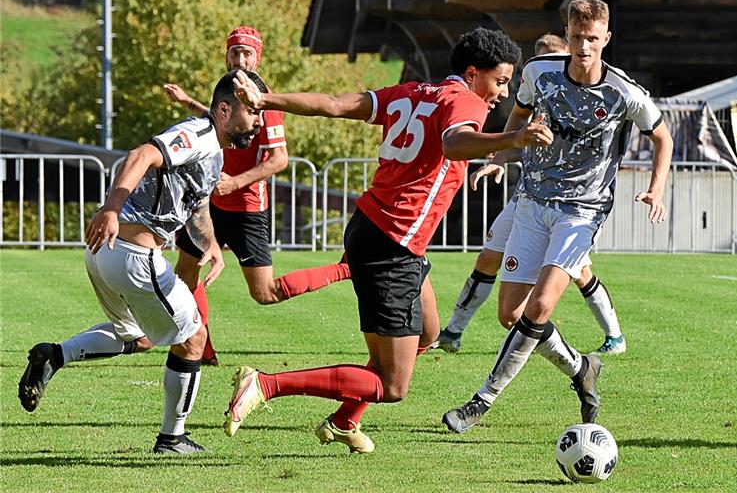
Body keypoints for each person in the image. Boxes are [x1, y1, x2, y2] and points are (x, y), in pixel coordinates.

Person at [220, 27, 553, 453]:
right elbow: (453, 144)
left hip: (377, 230)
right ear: (473, 73)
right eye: (501, 81)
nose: (503, 95)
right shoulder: (464, 100)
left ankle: (343, 421)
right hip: (392, 245)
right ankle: (265, 384)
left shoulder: (413, 90)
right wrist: (513, 138)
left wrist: (267, 100)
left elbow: (336, 105)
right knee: (391, 384)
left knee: (428, 334)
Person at [442, 0, 673, 434]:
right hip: (531, 202)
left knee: (542, 304)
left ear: (606, 39)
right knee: (511, 314)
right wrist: (502, 154)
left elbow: (663, 137)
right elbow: (521, 118)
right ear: (565, 35)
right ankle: (581, 369)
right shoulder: (537, 73)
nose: (583, 47)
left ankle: (480, 402)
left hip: (581, 212)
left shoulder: (624, 92)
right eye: (576, 37)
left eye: (592, 39)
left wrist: (656, 189)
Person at [17, 70, 265, 454]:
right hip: (132, 252)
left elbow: (196, 205)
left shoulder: (213, 152)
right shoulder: (198, 134)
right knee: (194, 337)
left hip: (105, 254)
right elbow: (142, 154)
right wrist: (112, 208)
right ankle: (172, 437)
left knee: (140, 337)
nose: (258, 120)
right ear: (224, 109)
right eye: (252, 112)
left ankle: (55, 354)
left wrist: (212, 244)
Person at [163, 26, 351, 366]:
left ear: (258, 57)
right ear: (226, 55)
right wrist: (188, 102)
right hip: (210, 201)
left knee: (265, 293)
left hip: (247, 207)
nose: (240, 59)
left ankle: (345, 269)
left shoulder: (266, 100)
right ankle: (202, 348)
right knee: (186, 273)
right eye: (235, 52)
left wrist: (235, 183)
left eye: (247, 53)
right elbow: (217, 120)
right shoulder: (223, 90)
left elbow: (279, 159)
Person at [434, 30, 626, 356]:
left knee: (581, 273)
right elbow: (519, 131)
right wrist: (499, 159)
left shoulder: (579, 98)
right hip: (527, 197)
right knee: (487, 258)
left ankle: (614, 338)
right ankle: (453, 331)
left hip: (570, 206)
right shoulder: (535, 94)